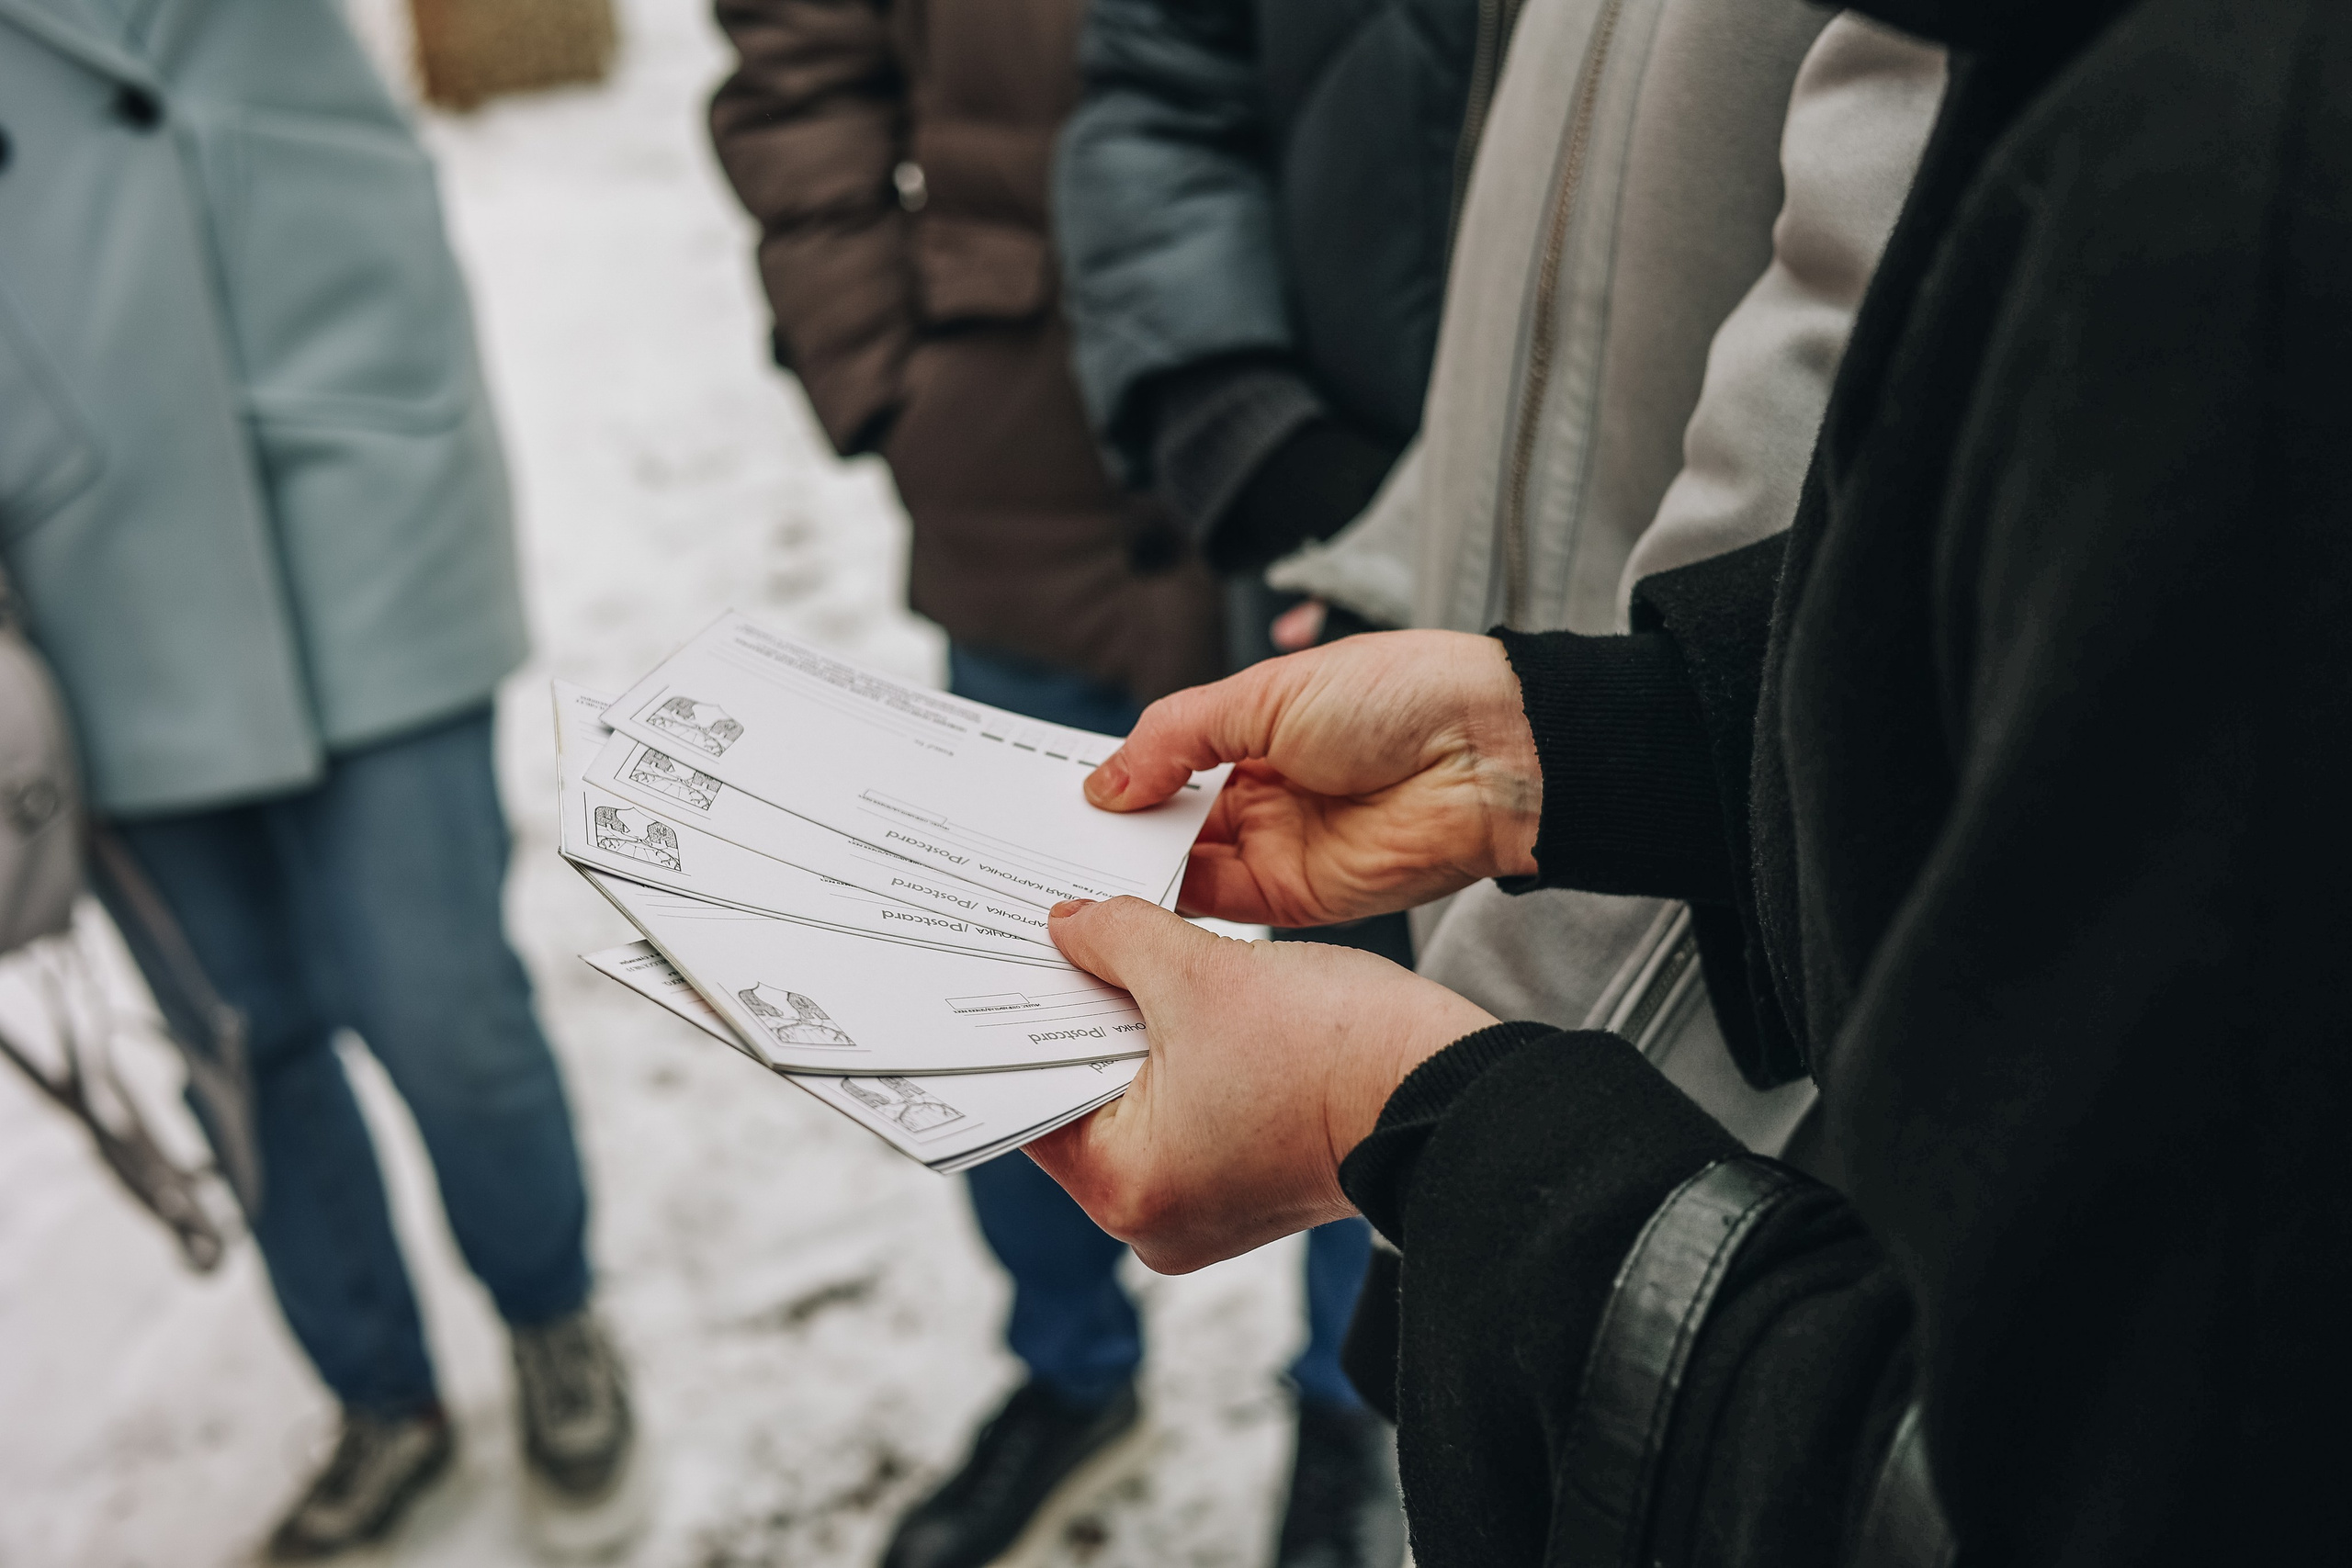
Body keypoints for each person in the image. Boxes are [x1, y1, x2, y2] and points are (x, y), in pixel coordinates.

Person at [1015, 0, 2352, 1560]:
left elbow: (2033, 1488)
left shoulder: (2252, 192)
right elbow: (1997, 621)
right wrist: (1585, 744)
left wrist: (1425, 1131)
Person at [705, 5, 1379, 1567]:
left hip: (1343, 434)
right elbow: (797, 52)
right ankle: (1067, 1375)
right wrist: (874, 362)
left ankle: (1358, 1410)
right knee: (1010, 978)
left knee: (1375, 977)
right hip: (1022, 444)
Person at [0, 6, 636, 1561]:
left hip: (347, 468)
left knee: (439, 996)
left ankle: (552, 1313)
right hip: (78, 543)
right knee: (242, 1036)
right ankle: (379, 1391)